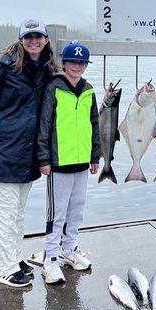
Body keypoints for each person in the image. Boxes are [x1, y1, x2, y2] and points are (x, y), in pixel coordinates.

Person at [0, 18, 57, 288]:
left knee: (18, 211)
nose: (33, 41)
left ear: (45, 40)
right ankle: (3, 268)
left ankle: (13, 258)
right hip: (4, 148)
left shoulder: (45, 68)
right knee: (5, 211)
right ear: (21, 39)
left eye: (38, 37)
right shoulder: (4, 64)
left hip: (28, 152)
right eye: (28, 37)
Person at [37, 42, 100, 285]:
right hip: (58, 162)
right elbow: (44, 126)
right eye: (72, 62)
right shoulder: (53, 88)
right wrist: (44, 159)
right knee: (57, 212)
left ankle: (69, 249)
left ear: (86, 66)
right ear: (64, 64)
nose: (77, 66)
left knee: (77, 208)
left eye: (81, 63)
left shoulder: (89, 90)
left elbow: (94, 124)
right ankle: (51, 258)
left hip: (82, 161)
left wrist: (95, 157)